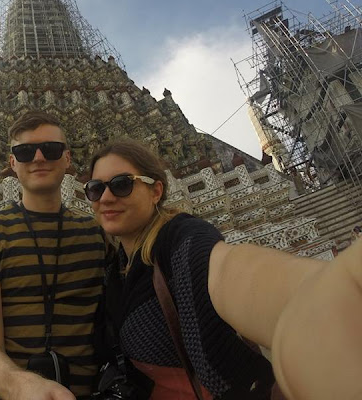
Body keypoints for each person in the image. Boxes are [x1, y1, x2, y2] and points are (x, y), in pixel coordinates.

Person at [86, 139, 362, 400]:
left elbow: (226, 270)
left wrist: (330, 298)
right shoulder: (114, 271)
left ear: (156, 191)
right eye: (96, 189)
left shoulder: (179, 239)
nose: (106, 197)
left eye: (122, 184)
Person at [0, 111, 106, 400]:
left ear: (67, 158)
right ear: (12, 162)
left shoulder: (98, 233)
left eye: (50, 150)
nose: (38, 158)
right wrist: (21, 386)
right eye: (25, 152)